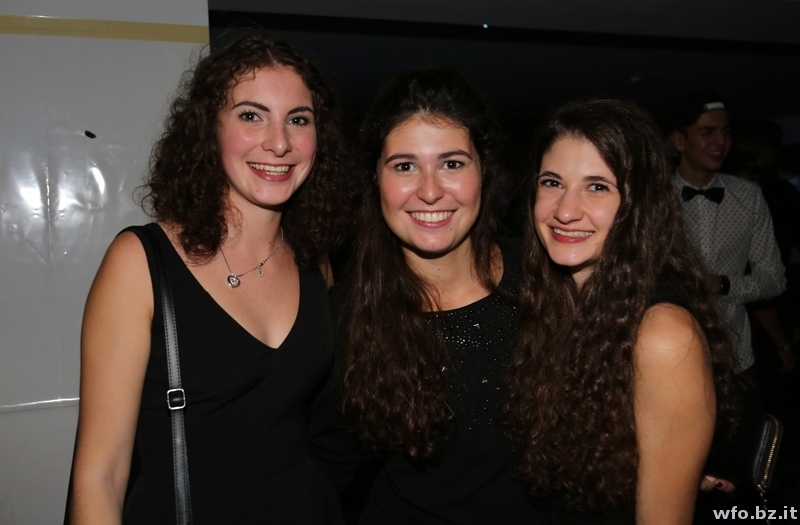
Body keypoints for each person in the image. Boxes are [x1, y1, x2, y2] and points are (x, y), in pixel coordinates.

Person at [70, 33, 355, 524]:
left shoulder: (315, 263)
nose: (279, 142)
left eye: (298, 119)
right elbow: (100, 477)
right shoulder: (140, 262)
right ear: (208, 128)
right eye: (251, 115)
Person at [506, 98, 740, 524]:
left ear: (638, 204)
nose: (565, 210)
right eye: (552, 182)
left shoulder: (663, 334)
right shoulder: (558, 303)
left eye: (598, 187)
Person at [336, 67, 548, 524]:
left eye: (452, 164)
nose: (430, 191)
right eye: (404, 166)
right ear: (375, 177)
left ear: (484, 171)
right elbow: (318, 462)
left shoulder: (547, 280)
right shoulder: (346, 314)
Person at [667, 91, 785, 380]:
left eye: (726, 132)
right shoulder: (653, 199)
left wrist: (724, 285)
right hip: (670, 355)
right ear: (679, 141)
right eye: (707, 132)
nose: (721, 141)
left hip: (736, 356)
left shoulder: (749, 197)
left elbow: (774, 280)